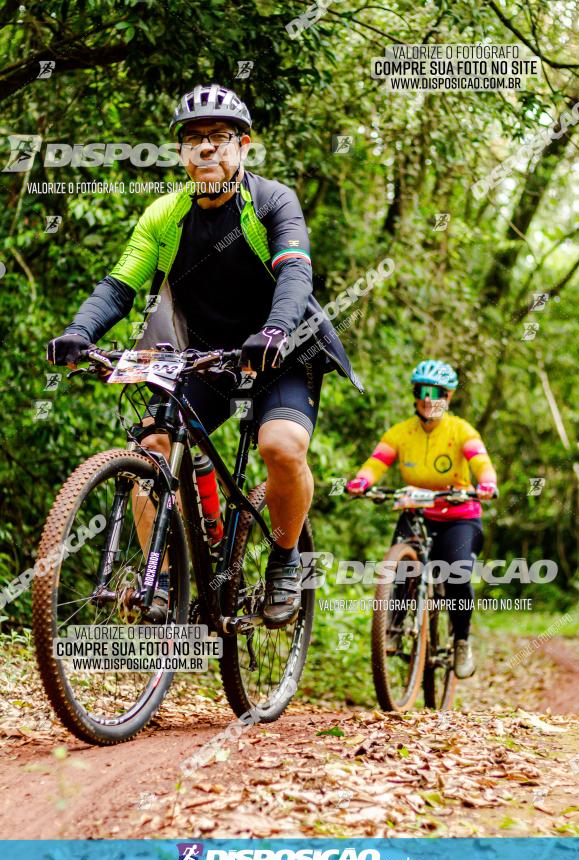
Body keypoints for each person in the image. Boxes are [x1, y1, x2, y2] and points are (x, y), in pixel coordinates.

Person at [47, 84, 362, 629]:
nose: (207, 149)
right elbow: (120, 286)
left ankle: (285, 558)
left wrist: (275, 330)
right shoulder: (164, 215)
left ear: (243, 145)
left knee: (281, 446)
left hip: (281, 351)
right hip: (204, 355)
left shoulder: (271, 202)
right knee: (153, 443)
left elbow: (294, 272)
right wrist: (79, 331)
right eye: (194, 139)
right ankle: (165, 581)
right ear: (181, 153)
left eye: (219, 138)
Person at [346, 359, 497, 678]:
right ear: (414, 394)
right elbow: (377, 461)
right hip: (416, 512)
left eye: (438, 392)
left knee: (457, 576)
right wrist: (362, 481)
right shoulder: (401, 432)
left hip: (459, 516)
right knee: (400, 568)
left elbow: (480, 459)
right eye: (422, 391)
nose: (429, 399)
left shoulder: (460, 430)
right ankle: (394, 625)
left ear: (449, 396)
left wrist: (487, 483)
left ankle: (461, 640)